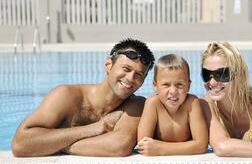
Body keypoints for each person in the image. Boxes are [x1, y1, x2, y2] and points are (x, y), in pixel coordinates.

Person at [12, 38, 155, 157]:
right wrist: (93, 129)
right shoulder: (65, 96)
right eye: (126, 69)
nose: (130, 78)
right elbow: (20, 145)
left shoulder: (136, 105)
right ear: (108, 65)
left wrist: (55, 144)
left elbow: (118, 147)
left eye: (138, 75)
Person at [137, 54, 208, 156]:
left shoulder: (192, 103)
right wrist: (188, 147)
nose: (173, 91)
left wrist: (161, 148)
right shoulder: (153, 103)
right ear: (155, 86)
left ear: (188, 86)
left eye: (179, 85)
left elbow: (202, 145)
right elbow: (143, 144)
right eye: (166, 85)